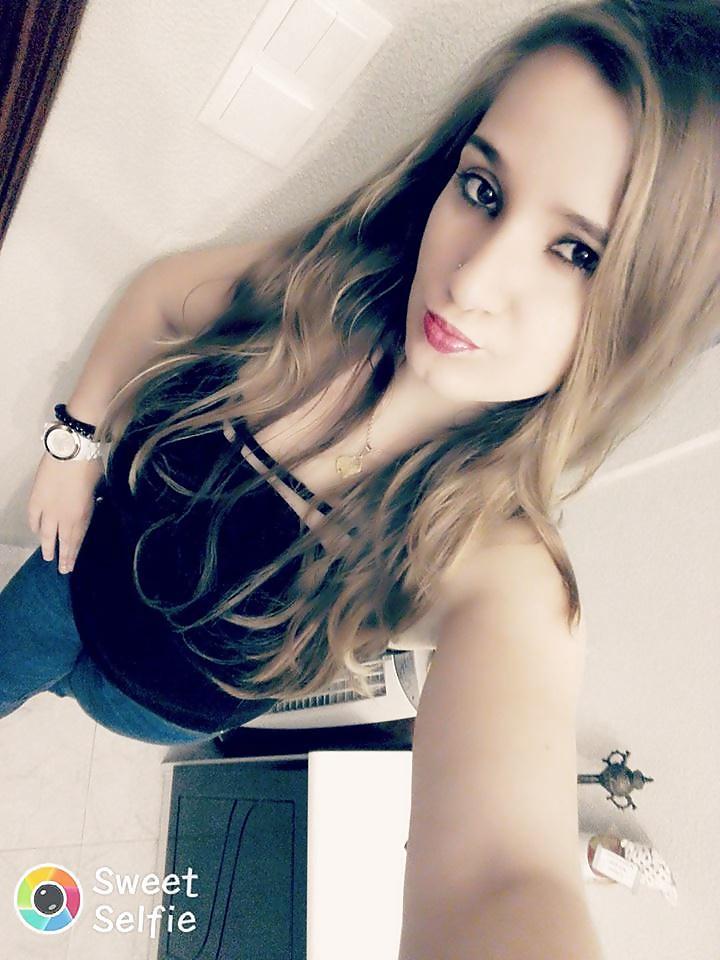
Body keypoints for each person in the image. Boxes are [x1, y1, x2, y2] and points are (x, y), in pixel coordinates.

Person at [1, 0, 718, 955]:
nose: (471, 280)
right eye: (483, 189)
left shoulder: (493, 561)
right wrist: (72, 445)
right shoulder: (326, 297)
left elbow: (503, 878)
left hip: (152, 708)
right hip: (63, 581)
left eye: (578, 252)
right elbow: (165, 292)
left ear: (643, 318)